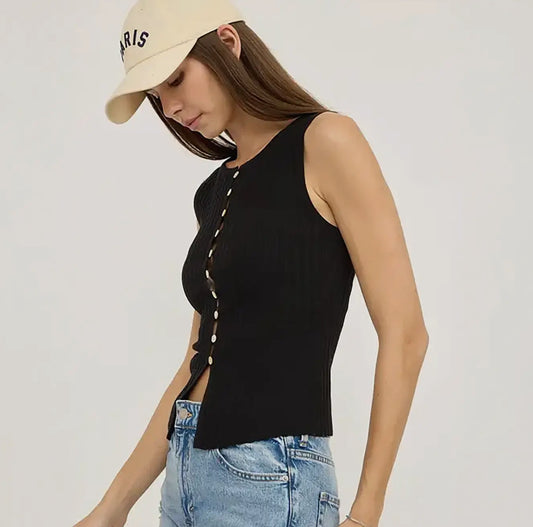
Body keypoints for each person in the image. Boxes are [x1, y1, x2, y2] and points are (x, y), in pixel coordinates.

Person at [74, 1, 429, 526]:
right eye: (156, 97)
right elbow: (197, 362)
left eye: (175, 79)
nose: (170, 107)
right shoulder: (213, 191)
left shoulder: (326, 141)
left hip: (270, 478)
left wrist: (366, 511)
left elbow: (405, 333)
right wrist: (112, 507)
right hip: (184, 473)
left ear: (227, 43)